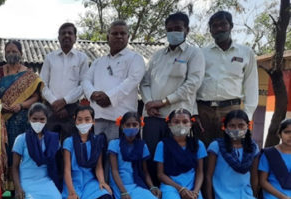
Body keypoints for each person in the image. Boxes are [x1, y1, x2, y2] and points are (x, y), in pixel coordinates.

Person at [140, 12, 205, 184]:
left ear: (187, 30)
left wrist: (163, 102)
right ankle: (153, 193)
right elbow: (144, 83)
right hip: (153, 117)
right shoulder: (157, 55)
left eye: (178, 28)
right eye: (169, 29)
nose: (173, 32)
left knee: (175, 158)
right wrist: (148, 103)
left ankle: (175, 193)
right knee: (152, 156)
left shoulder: (194, 54)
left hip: (178, 117)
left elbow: (193, 83)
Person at [196, 11, 258, 146]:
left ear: (231, 26)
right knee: (202, 149)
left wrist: (247, 114)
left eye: (223, 24)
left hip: (231, 110)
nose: (219, 28)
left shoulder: (246, 53)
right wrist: (194, 112)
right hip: (203, 110)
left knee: (229, 148)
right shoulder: (201, 53)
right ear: (210, 30)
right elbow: (193, 83)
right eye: (214, 26)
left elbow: (251, 85)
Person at [0, 40, 42, 190]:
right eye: (9, 51)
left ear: (20, 53)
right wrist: (0, 105)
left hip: (21, 121)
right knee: (0, 152)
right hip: (1, 120)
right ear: (5, 54)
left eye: (15, 51)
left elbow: (36, 97)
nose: (12, 54)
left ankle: (17, 187)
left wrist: (20, 105)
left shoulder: (29, 75)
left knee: (19, 152)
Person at [83, 21, 145, 141]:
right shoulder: (98, 62)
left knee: (117, 156)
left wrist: (109, 97)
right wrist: (93, 94)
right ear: (108, 37)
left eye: (123, 33)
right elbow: (86, 80)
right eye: (115, 33)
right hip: (98, 116)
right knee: (98, 156)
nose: (119, 36)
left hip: (121, 119)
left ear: (128, 37)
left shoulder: (135, 59)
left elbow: (132, 80)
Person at [205, 110, 261, 199]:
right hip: (224, 193)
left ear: (248, 126)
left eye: (241, 125)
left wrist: (254, 198)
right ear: (225, 128)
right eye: (232, 126)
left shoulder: (253, 147)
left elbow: (254, 176)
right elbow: (209, 176)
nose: (237, 129)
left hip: (245, 194)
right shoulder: (216, 146)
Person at [155, 109, 210, 199]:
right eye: (176, 122)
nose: (181, 125)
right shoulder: (162, 145)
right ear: (169, 124)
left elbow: (200, 172)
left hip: (191, 186)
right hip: (171, 186)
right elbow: (160, 174)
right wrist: (180, 189)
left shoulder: (198, 144)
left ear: (191, 124)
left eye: (185, 122)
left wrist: (195, 192)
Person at [108, 112, 162, 199]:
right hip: (119, 185)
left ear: (140, 126)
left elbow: (145, 171)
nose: (131, 128)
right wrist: (123, 192)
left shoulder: (142, 145)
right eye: (128, 125)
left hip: (136, 184)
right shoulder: (114, 144)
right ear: (122, 126)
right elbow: (114, 171)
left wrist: (152, 187)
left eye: (134, 125)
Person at [12, 103, 63, 199]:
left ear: (46, 120)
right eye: (34, 119)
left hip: (45, 180)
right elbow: (15, 167)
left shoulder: (53, 139)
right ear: (29, 119)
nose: (38, 122)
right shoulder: (21, 139)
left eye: (41, 119)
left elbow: (58, 164)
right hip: (27, 181)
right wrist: (18, 188)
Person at [40, 23, 89, 139]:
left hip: (71, 109)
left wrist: (65, 101)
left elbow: (84, 84)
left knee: (70, 145)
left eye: (70, 33)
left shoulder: (82, 58)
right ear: (58, 37)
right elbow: (42, 85)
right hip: (51, 108)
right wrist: (54, 103)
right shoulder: (50, 57)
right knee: (49, 145)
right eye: (63, 33)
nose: (66, 35)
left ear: (75, 38)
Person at [62, 106, 112, 199]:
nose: (83, 123)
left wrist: (102, 182)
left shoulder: (97, 141)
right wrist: (71, 192)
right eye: (79, 119)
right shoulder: (68, 142)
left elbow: (99, 167)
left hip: (90, 181)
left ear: (93, 121)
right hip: (74, 182)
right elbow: (67, 170)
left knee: (105, 198)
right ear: (75, 120)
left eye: (87, 119)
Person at [258, 119, 291, 199]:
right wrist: (282, 197)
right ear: (279, 134)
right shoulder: (269, 154)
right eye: (287, 132)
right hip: (275, 195)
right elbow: (262, 181)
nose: (290, 136)